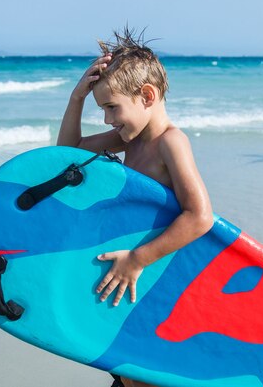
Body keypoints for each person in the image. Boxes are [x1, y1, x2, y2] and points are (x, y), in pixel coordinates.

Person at [56, 28, 214, 387]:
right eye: (103, 110)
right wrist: (76, 98)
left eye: (112, 107)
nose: (108, 120)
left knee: (139, 368)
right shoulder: (131, 138)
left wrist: (138, 259)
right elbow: (68, 151)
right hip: (135, 272)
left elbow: (200, 216)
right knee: (125, 366)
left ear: (146, 96)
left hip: (155, 269)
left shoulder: (170, 142)